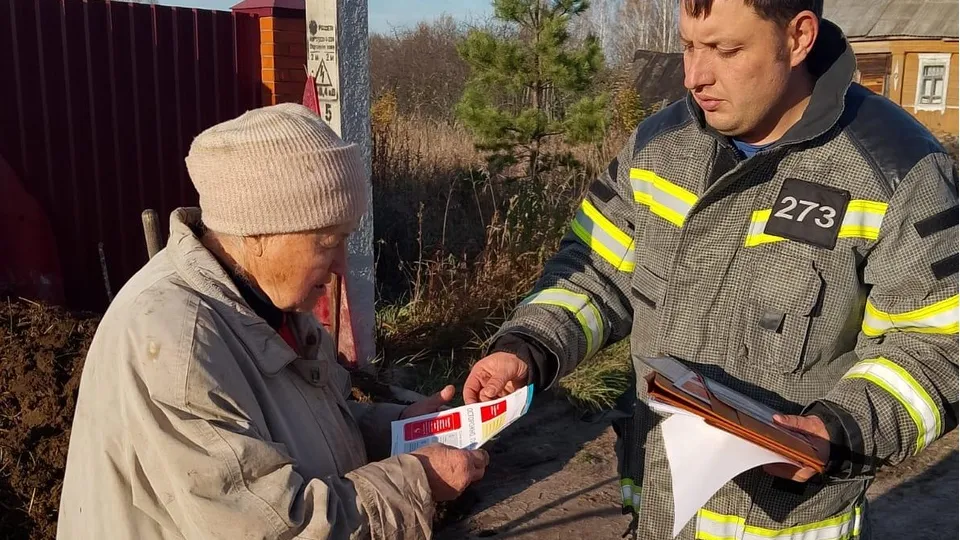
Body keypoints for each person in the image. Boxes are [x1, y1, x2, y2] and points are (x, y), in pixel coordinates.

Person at [464, 0, 958, 538]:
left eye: (726, 49)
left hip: (782, 522)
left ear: (798, 37)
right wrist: (528, 348)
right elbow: (596, 273)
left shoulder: (897, 171)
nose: (695, 77)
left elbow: (938, 346)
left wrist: (837, 429)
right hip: (655, 511)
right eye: (689, 46)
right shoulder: (657, 148)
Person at [57, 103, 488, 540]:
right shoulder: (175, 343)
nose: (341, 265)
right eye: (328, 242)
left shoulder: (264, 304)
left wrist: (400, 430)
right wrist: (415, 481)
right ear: (258, 233)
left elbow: (299, 426)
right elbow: (274, 529)